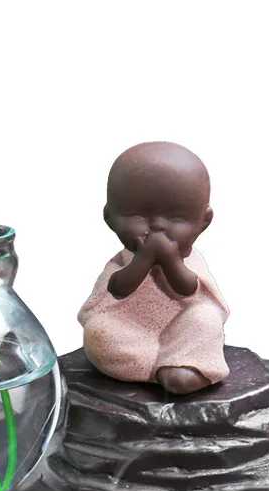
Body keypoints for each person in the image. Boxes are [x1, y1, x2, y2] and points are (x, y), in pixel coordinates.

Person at [78, 142, 229, 395]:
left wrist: (170, 260)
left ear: (204, 221)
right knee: (98, 332)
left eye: (177, 218)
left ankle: (183, 366)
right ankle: (160, 366)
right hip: (129, 330)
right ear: (109, 217)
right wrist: (144, 258)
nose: (158, 226)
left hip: (184, 326)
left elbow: (188, 290)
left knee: (205, 318)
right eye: (138, 216)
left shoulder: (192, 261)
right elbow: (119, 289)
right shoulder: (120, 262)